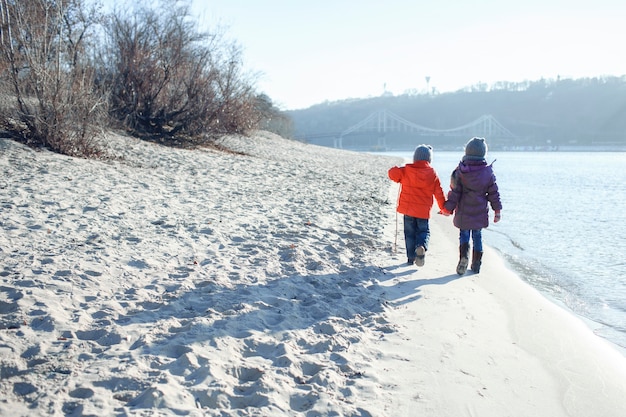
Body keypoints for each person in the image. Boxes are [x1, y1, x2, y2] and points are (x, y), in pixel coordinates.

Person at [442, 137, 502, 275]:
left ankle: (463, 257)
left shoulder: (460, 171)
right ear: (483, 154)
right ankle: (476, 264)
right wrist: (497, 211)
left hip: (463, 212)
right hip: (480, 212)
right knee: (477, 236)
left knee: (464, 235)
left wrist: (447, 209)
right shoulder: (488, 173)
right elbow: (494, 193)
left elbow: (454, 193)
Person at [388, 144, 447, 266]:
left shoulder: (406, 170)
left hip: (408, 210)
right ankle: (421, 246)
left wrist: (396, 168)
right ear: (429, 160)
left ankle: (410, 258)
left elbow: (392, 174)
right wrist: (444, 208)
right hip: (423, 211)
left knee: (409, 233)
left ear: (415, 158)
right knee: (423, 231)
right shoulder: (432, 173)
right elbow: (439, 192)